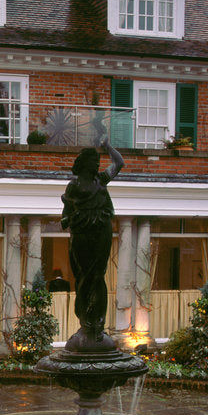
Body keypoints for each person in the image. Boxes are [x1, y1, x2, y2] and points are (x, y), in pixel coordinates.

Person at [60, 137, 124, 350]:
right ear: (83, 164)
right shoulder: (74, 185)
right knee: (83, 276)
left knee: (98, 275)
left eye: (98, 161)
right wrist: (66, 219)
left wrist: (107, 146)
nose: (97, 164)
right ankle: (85, 319)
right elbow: (66, 212)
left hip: (101, 230)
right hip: (82, 231)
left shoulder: (101, 180)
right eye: (93, 161)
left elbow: (119, 163)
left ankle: (98, 322)